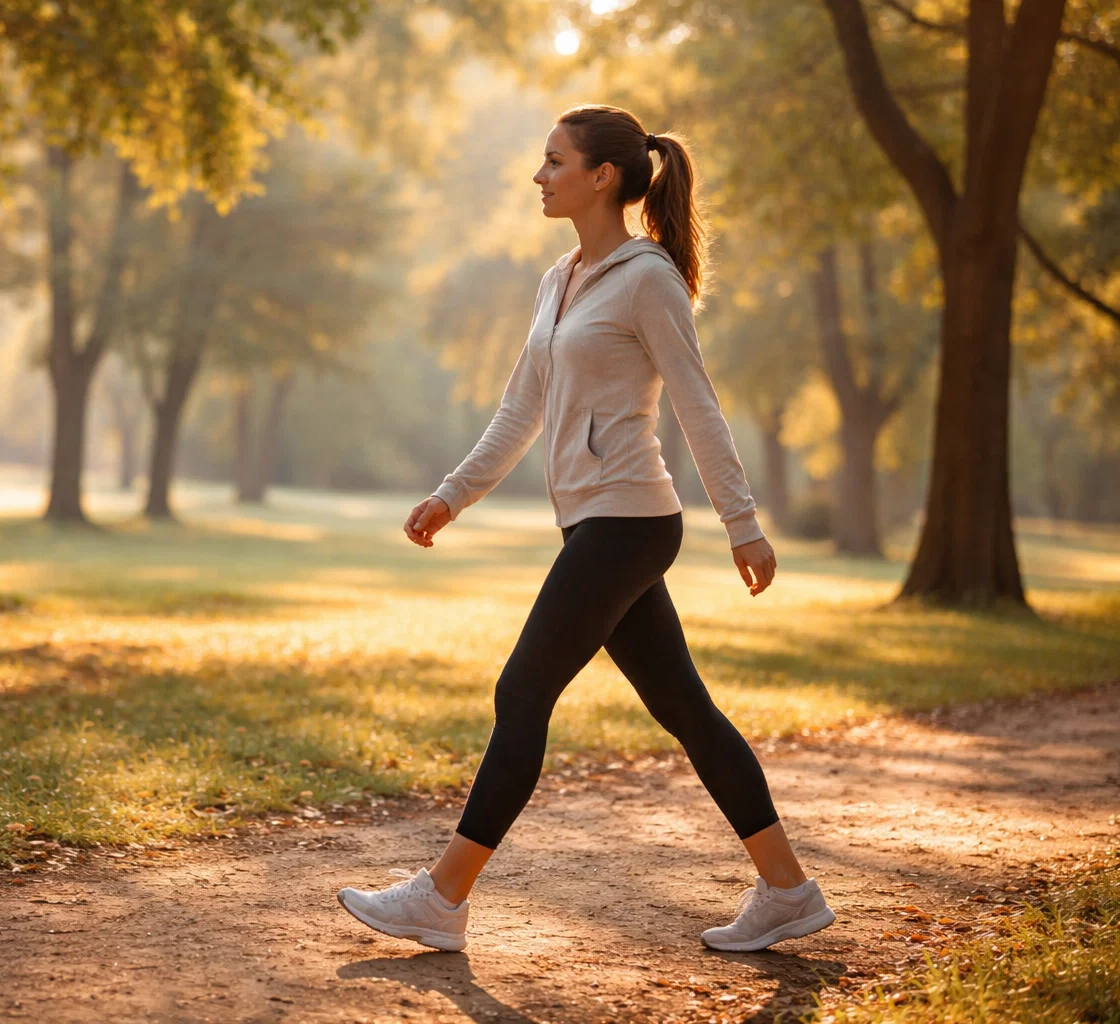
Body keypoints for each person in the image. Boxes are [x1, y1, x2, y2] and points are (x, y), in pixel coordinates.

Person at [335, 104, 836, 954]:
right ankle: (788, 889)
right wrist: (454, 494)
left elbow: (698, 404)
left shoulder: (649, 279)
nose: (539, 176)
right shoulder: (558, 279)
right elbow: (521, 406)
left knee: (521, 692)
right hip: (595, 525)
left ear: (602, 176)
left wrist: (743, 524)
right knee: (687, 709)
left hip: (630, 521)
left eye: (553, 161)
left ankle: (443, 897)